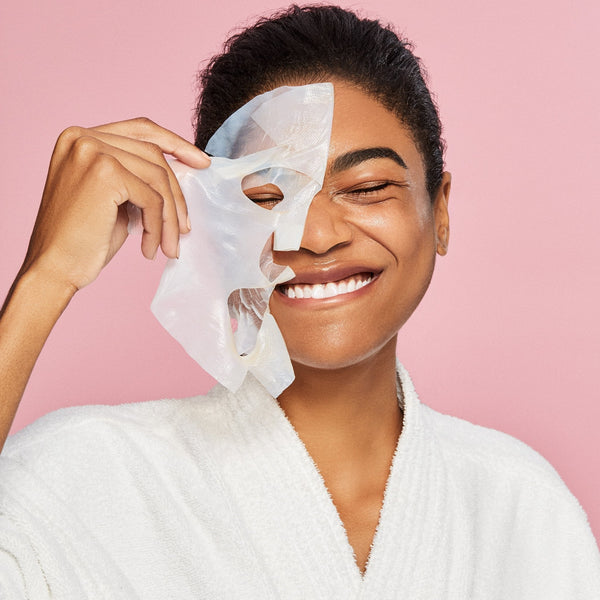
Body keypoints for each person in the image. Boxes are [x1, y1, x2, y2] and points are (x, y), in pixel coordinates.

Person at [0, 4, 598, 598]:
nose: (314, 236)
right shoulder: (79, 479)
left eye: (366, 188)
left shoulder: (524, 510)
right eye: (265, 197)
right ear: (216, 225)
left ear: (439, 212)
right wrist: (44, 281)